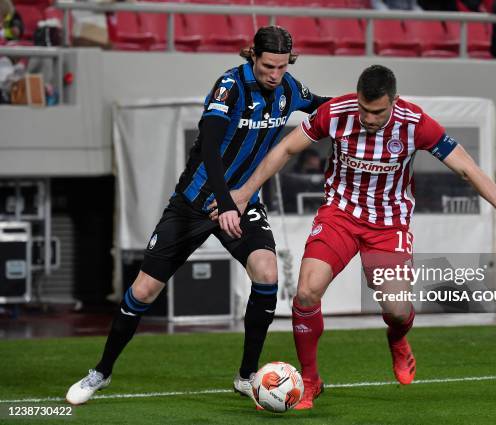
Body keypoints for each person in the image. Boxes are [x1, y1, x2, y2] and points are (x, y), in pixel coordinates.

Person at [216, 64, 496, 409]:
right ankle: (310, 382)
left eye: (377, 111)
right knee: (307, 291)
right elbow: (286, 149)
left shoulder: (415, 123)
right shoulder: (336, 113)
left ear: (394, 101)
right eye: (363, 109)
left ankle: (398, 338)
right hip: (339, 215)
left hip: (389, 226)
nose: (368, 118)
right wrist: (243, 193)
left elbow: (467, 169)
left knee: (398, 310)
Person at [65, 25, 330, 405]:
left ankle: (245, 376)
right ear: (252, 55)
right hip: (194, 204)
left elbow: (324, 104)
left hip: (243, 203)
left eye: (283, 67)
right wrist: (223, 203)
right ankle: (101, 372)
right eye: (269, 66)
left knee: (267, 274)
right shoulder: (230, 86)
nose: (275, 74)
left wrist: (365, 100)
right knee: (144, 290)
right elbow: (208, 145)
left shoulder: (289, 89)